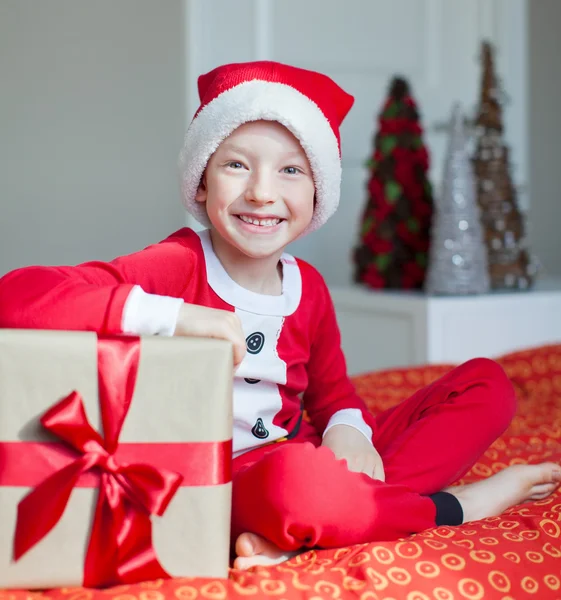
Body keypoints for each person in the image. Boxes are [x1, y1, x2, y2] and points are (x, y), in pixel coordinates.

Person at [0, 61, 559, 571]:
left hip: (307, 455)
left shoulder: (307, 288)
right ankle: (449, 507)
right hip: (229, 476)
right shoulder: (177, 264)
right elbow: (17, 295)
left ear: (319, 194)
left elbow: (334, 394)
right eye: (237, 165)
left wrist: (346, 431)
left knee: (488, 384)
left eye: (291, 171)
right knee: (302, 486)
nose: (262, 193)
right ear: (201, 180)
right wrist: (170, 316)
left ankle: (313, 527)